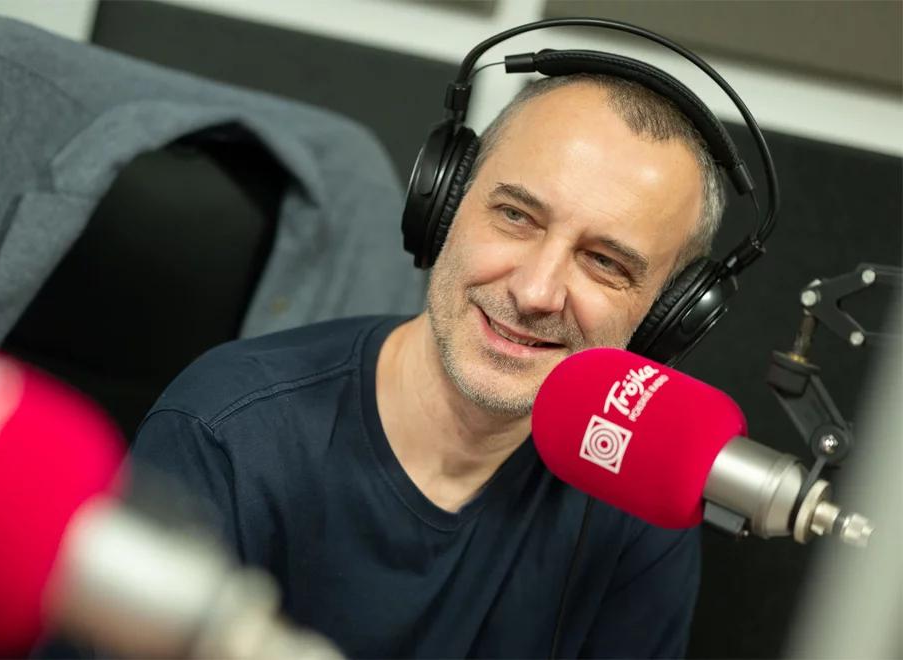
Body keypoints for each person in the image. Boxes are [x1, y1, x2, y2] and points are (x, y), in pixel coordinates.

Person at [129, 73, 725, 658]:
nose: (535, 292)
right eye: (516, 216)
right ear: (444, 202)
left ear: (665, 318)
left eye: (604, 262)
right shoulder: (228, 432)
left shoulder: (639, 491)